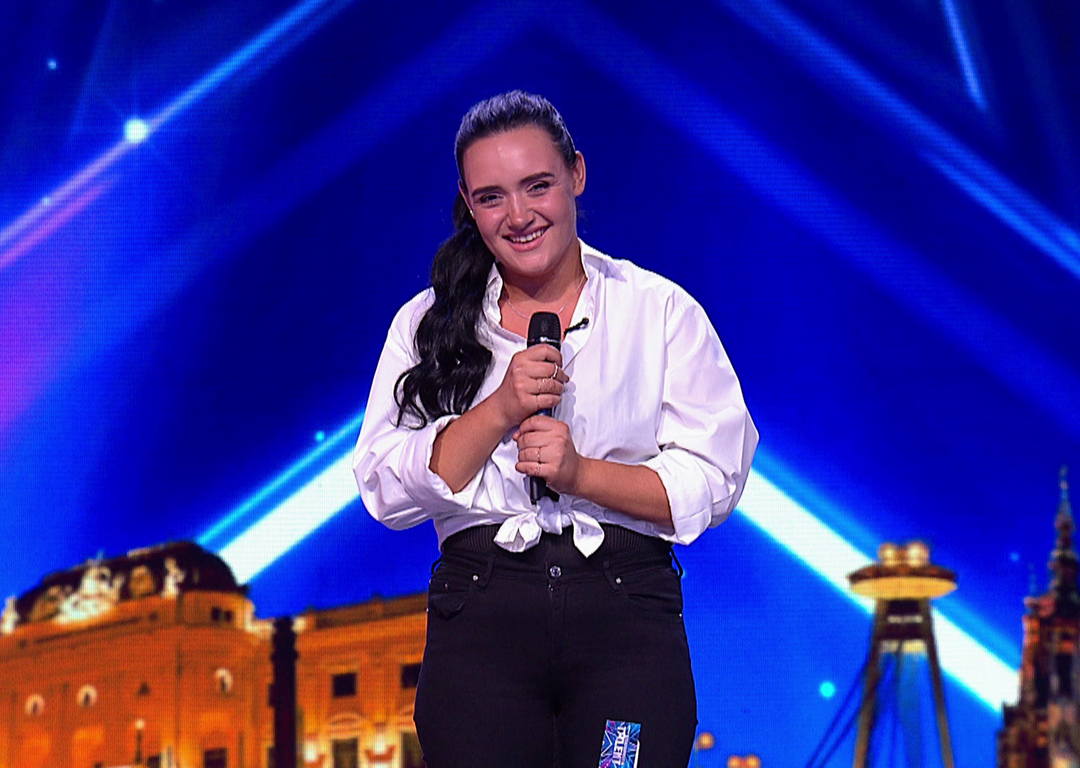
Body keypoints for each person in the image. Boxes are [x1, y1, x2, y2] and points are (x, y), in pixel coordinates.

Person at [353, 90, 757, 768]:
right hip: (479, 621)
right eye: (491, 197)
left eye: (537, 185)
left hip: (626, 621)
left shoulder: (658, 310)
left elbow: (714, 480)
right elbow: (383, 488)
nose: (518, 216)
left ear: (577, 174)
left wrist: (580, 474)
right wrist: (497, 409)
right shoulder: (425, 324)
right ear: (467, 202)